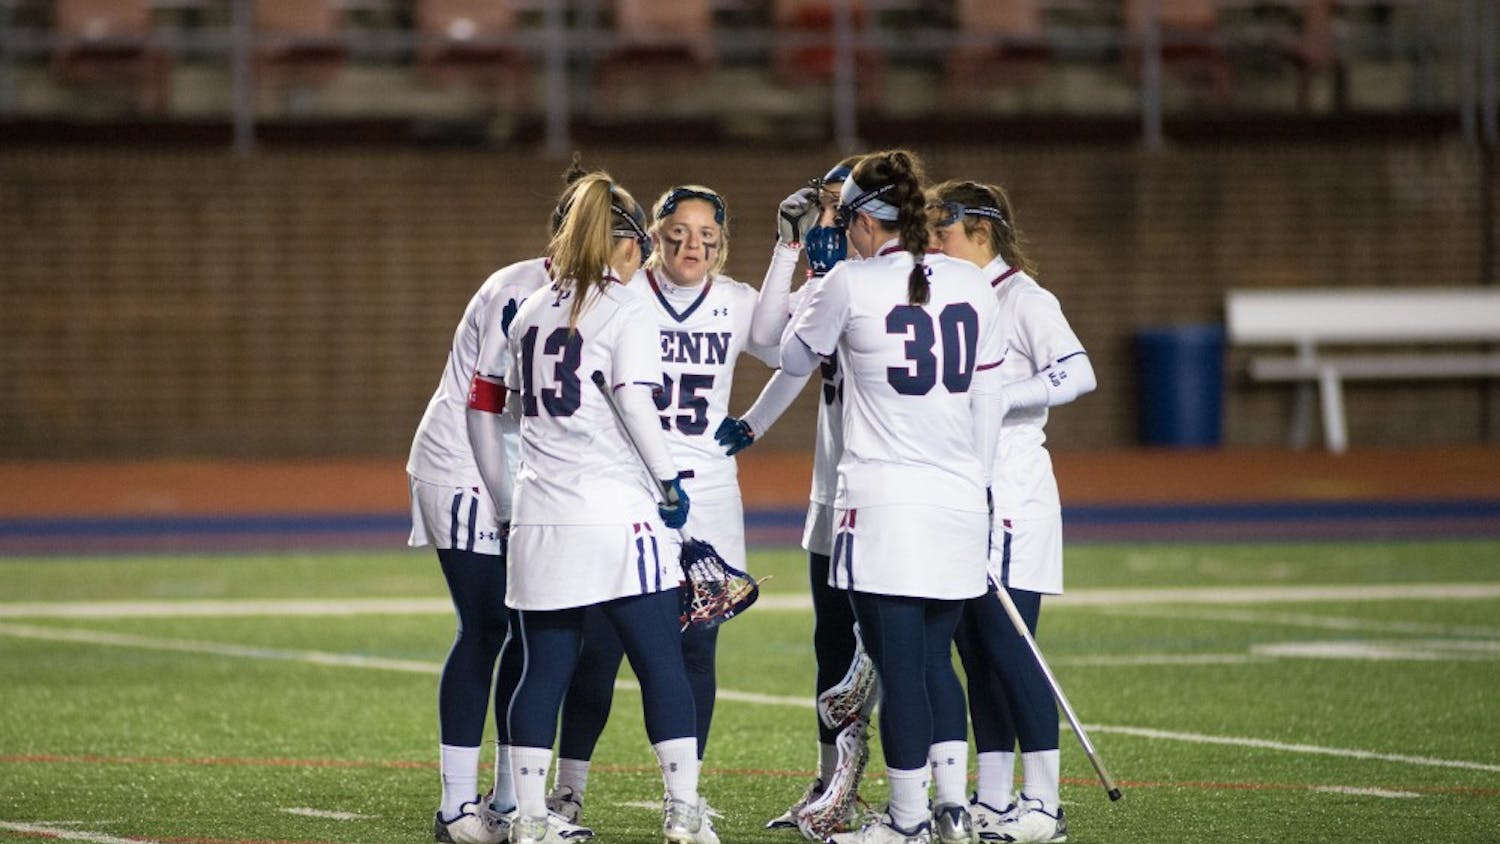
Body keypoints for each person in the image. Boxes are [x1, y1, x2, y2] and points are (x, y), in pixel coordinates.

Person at [540, 181, 815, 822]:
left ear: (722, 245)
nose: (693, 246)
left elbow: (796, 353)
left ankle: (682, 798)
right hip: (629, 484)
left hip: (708, 490)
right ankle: (569, 788)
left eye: (707, 236)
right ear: (653, 238)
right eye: (679, 233)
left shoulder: (736, 301)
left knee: (696, 649)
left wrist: (755, 421)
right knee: (601, 645)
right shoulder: (623, 293)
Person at [467, 172, 716, 844]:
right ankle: (684, 812)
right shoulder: (628, 308)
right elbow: (633, 400)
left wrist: (508, 503)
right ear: (628, 244)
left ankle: (528, 817)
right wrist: (670, 485)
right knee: (662, 663)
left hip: (542, 514)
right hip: (616, 514)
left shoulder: (531, 310)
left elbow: (506, 409)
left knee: (542, 669)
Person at [780, 150, 1008, 844]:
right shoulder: (971, 282)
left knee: (901, 668)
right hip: (960, 496)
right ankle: (952, 810)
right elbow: (988, 401)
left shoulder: (850, 280)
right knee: (936, 661)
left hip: (884, 503)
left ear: (860, 221)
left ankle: (908, 820)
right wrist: (979, 492)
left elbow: (790, 357)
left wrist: (816, 275)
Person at [409, 158, 596, 844]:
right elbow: (484, 403)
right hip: (467, 464)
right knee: (489, 626)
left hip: (524, 473)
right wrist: (508, 503)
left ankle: (512, 803)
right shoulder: (519, 289)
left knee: (528, 629)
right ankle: (458, 808)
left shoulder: (602, 297)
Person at [716, 158, 884, 838]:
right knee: (831, 638)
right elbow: (782, 349)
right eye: (823, 205)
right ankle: (830, 784)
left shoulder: (894, 281)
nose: (828, 218)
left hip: (891, 491)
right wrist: (755, 421)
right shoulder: (836, 279)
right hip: (834, 482)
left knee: (901, 649)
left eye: (839, 206)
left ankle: (926, 795)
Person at [928, 180, 1095, 844]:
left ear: (981, 232)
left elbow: (1078, 372)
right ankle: (994, 798)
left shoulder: (1024, 298)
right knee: (975, 650)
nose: (931, 243)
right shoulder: (951, 297)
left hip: (1014, 497)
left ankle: (1044, 805)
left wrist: (1002, 398)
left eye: (942, 231)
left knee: (1008, 645)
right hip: (966, 494)